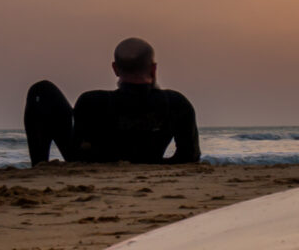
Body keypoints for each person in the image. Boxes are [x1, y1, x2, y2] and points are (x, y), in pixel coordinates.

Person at [25, 38, 200, 165]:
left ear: (115, 69)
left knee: (42, 90)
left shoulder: (92, 101)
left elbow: (80, 147)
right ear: (153, 69)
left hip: (94, 162)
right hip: (150, 158)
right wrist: (152, 162)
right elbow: (190, 156)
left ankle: (39, 165)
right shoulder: (176, 103)